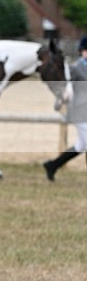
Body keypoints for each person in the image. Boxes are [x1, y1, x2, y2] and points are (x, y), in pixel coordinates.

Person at [43, 35, 87, 181]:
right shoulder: (74, 69)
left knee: (81, 145)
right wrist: (60, 102)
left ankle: (52, 165)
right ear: (81, 51)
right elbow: (64, 88)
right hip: (80, 111)